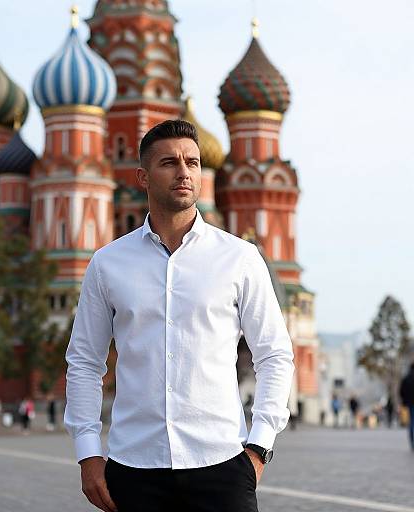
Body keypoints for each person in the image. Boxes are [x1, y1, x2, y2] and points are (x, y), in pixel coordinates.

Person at [65, 120, 295, 512]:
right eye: (169, 162)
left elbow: (274, 353)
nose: (184, 172)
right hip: (135, 466)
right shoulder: (108, 264)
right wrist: (88, 453)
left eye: (193, 162)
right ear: (143, 176)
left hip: (222, 463)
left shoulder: (239, 258)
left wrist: (259, 447)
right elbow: (85, 362)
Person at [399, 362, 414, 451]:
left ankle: (412, 442)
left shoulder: (406, 378)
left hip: (410, 403)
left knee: (412, 421)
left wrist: (404, 400)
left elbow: (401, 391)